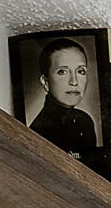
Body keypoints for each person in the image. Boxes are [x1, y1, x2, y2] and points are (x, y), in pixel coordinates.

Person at [27, 38, 105, 177]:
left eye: (81, 71)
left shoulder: (84, 120)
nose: (74, 81)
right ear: (45, 82)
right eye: (63, 72)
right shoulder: (40, 130)